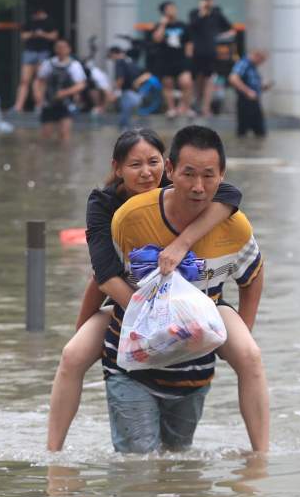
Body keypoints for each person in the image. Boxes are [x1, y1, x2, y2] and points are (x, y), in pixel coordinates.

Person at [46, 127, 269, 453]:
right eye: (135, 165)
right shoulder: (111, 208)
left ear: (164, 167)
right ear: (117, 168)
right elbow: (102, 276)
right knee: (72, 355)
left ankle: (261, 457)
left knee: (249, 355)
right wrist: (151, 313)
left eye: (152, 162)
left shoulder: (194, 191)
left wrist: (182, 243)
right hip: (130, 300)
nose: (145, 173)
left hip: (202, 300)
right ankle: (54, 453)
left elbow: (230, 196)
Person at [185, 0, 233, 117]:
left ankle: (206, 108)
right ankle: (196, 105)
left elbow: (230, 28)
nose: (208, 2)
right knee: (196, 79)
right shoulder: (194, 13)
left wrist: (218, 37)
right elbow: (191, 27)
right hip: (197, 52)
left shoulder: (217, 14)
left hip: (211, 52)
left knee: (209, 79)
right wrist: (202, 13)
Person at [32, 39, 86, 142]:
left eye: (63, 47)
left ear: (69, 49)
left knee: (64, 134)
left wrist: (65, 92)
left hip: (66, 104)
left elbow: (81, 85)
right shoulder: (48, 63)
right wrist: (37, 94)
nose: (60, 50)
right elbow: (39, 81)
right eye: (58, 47)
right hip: (49, 102)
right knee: (46, 135)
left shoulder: (75, 65)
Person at [151, 0, 193, 118]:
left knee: (186, 83)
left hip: (180, 59)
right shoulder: (159, 26)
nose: (172, 10)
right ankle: (171, 109)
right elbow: (156, 39)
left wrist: (189, 59)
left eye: (173, 8)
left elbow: (189, 43)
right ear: (164, 11)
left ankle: (185, 107)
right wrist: (163, 24)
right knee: (168, 84)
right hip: (165, 59)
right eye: (169, 8)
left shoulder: (182, 25)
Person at [12, 9, 59, 113]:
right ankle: (19, 105)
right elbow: (23, 36)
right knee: (24, 80)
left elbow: (54, 36)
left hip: (43, 52)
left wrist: (42, 34)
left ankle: (39, 103)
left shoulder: (49, 22)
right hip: (30, 52)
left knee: (40, 80)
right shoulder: (29, 21)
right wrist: (34, 33)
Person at [107, 45, 156, 128]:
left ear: (114, 54)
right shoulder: (129, 60)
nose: (111, 59)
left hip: (128, 92)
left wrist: (115, 92)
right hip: (137, 92)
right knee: (130, 116)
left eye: (111, 57)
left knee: (125, 119)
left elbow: (120, 79)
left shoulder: (119, 62)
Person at [228, 49, 271, 137]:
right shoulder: (244, 63)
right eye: (262, 60)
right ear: (256, 56)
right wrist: (247, 91)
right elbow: (233, 78)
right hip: (245, 102)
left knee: (260, 132)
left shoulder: (253, 67)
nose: (261, 63)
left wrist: (263, 87)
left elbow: (253, 84)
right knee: (243, 131)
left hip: (254, 102)